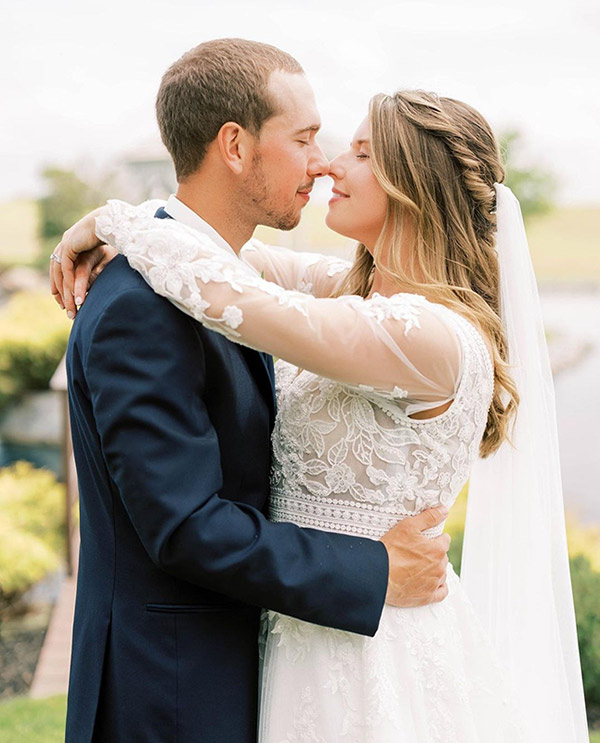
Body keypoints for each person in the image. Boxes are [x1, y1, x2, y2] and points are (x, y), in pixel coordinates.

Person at [55, 84, 590, 740]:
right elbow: (228, 253)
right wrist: (133, 225)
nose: (331, 163)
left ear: (413, 186)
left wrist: (115, 222)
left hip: (374, 647)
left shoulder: (430, 337)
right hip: (306, 627)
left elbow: (240, 301)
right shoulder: (354, 290)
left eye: (360, 152)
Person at [50, 40, 453, 743]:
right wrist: (374, 570)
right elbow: (186, 527)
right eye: (302, 139)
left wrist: (119, 218)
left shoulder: (224, 282)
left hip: (240, 676)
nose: (321, 160)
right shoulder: (141, 307)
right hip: (170, 695)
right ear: (235, 145)